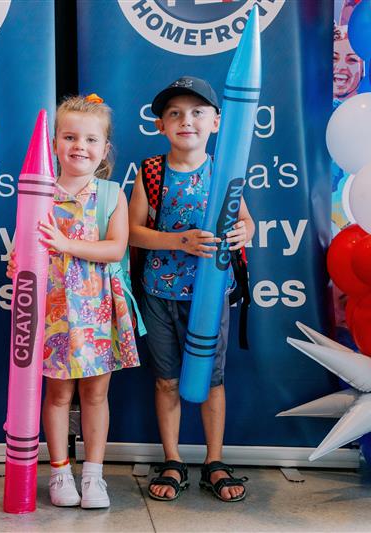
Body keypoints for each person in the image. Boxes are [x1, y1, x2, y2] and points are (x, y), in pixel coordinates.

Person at [8, 94, 140, 509]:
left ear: (105, 148)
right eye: (70, 137)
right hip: (52, 311)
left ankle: (94, 475)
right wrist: (17, 262)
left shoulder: (111, 194)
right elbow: (24, 247)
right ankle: (60, 471)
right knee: (58, 395)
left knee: (96, 396)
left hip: (98, 310)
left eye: (90, 139)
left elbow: (115, 249)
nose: (79, 146)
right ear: (54, 143)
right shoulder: (40, 193)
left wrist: (66, 244)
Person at [128, 77, 255, 503]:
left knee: (212, 380)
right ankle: (173, 459)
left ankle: (214, 461)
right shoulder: (151, 171)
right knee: (167, 380)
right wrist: (178, 240)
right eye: (175, 114)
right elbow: (133, 232)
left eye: (198, 112)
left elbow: (246, 221)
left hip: (210, 297)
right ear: (161, 125)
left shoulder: (224, 169)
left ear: (216, 122)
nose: (187, 121)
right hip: (159, 295)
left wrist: (244, 231)